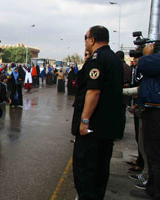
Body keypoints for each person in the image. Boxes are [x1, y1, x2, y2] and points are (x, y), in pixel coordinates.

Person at [71, 25, 123, 200]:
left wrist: (84, 120)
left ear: (92, 39)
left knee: (86, 171)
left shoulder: (97, 59)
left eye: (85, 38)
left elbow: (93, 91)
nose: (85, 42)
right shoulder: (114, 59)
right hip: (108, 127)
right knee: (101, 171)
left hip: (94, 128)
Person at [134, 43, 160, 199]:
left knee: (155, 154)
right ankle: (151, 188)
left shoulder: (154, 60)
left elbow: (143, 65)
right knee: (152, 153)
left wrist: (147, 53)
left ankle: (155, 191)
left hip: (156, 113)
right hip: (152, 108)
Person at [116, 50, 132, 139]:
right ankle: (120, 134)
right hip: (126, 96)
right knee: (122, 115)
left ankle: (115, 133)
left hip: (116, 94)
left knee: (115, 115)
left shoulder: (117, 67)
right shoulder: (129, 68)